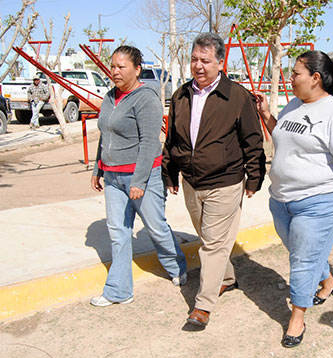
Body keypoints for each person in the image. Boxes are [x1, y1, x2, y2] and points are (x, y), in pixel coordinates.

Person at [254, 50, 333, 348]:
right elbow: (282, 134)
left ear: (315, 78)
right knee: (302, 252)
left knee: (301, 260)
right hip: (281, 199)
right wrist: (267, 114)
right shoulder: (293, 104)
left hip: (321, 200)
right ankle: (327, 280)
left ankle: (297, 317)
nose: (290, 78)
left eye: (295, 73)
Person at [162, 33, 266, 327]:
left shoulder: (237, 96)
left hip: (226, 180)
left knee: (212, 245)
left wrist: (253, 176)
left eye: (205, 60)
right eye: (194, 59)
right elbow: (172, 139)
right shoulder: (180, 95)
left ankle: (203, 305)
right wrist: (169, 171)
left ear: (220, 63)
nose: (198, 66)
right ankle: (228, 277)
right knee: (211, 239)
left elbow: (253, 139)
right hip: (191, 182)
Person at [90, 46, 187, 307]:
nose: (115, 71)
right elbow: (105, 134)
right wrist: (98, 169)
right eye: (112, 66)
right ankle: (119, 291)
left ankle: (177, 266)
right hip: (112, 176)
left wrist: (139, 181)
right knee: (118, 232)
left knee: (156, 227)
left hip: (143, 175)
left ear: (137, 69)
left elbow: (148, 143)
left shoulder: (146, 98)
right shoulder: (110, 97)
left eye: (121, 67)